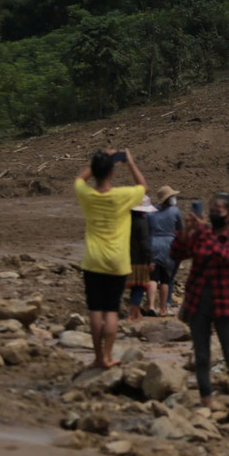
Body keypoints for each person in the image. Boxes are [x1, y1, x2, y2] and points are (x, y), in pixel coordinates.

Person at [170, 192, 229, 424]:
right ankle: (206, 403)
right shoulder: (201, 234)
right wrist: (186, 232)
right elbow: (177, 253)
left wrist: (203, 231)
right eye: (211, 209)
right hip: (198, 301)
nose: (212, 214)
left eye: (217, 210)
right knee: (201, 355)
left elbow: (226, 256)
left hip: (224, 303)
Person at [75, 150, 147, 369]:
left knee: (95, 310)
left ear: (95, 171)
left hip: (93, 260)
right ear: (112, 172)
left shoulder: (87, 195)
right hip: (117, 261)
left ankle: (98, 358)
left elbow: (79, 180)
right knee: (112, 310)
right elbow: (143, 186)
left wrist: (99, 160)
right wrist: (130, 162)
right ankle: (107, 356)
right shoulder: (122, 196)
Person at [149, 186, 182, 318]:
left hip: (153, 244)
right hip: (168, 245)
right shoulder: (175, 211)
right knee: (166, 279)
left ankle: (151, 306)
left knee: (152, 278)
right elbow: (180, 229)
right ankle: (163, 308)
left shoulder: (151, 211)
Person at [126, 194, 157, 322]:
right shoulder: (142, 223)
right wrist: (151, 260)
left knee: (133, 288)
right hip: (139, 261)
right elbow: (145, 243)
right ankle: (133, 314)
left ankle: (135, 312)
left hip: (127, 258)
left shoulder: (127, 221)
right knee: (139, 287)